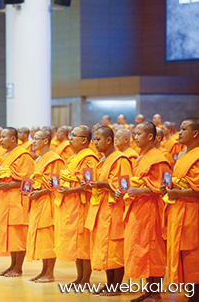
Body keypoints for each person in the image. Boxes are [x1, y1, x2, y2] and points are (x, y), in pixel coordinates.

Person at [124, 122, 169, 301]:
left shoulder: (159, 158)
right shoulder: (142, 157)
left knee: (152, 249)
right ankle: (149, 291)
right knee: (142, 249)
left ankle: (156, 293)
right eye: (134, 133)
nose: (135, 137)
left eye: (138, 134)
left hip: (152, 209)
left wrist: (140, 190)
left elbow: (164, 186)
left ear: (150, 137)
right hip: (139, 208)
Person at [85, 126, 132, 296]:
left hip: (116, 209)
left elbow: (124, 186)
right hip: (103, 208)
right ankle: (109, 284)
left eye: (98, 139)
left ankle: (117, 286)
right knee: (105, 248)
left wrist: (103, 185)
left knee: (115, 248)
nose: (95, 143)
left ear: (109, 140)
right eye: (94, 139)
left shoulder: (120, 159)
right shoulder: (103, 160)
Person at [56, 125, 99, 286]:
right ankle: (79, 277)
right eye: (71, 134)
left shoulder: (89, 158)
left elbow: (88, 184)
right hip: (72, 203)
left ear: (84, 140)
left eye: (74, 135)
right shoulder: (74, 157)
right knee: (76, 244)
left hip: (82, 204)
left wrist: (70, 190)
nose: (70, 137)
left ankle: (85, 279)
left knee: (83, 243)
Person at [162, 118, 199, 301]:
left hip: (192, 211)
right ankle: (189, 290)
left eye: (184, 129)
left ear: (195, 134)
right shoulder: (185, 156)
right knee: (181, 251)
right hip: (178, 209)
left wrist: (178, 193)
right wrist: (169, 191)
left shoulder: (197, 156)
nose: (179, 133)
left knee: (192, 252)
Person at [26, 129, 65, 283]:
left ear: (46, 141)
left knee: (48, 237)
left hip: (48, 202)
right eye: (33, 138)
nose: (33, 141)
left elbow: (55, 184)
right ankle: (43, 271)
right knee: (42, 238)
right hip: (38, 202)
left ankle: (50, 273)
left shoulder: (54, 160)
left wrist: (40, 192)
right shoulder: (39, 159)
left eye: (37, 139)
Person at [0, 127, 35, 277]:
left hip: (18, 199)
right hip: (6, 199)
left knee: (18, 234)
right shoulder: (8, 155)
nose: (0, 139)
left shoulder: (23, 156)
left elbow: (28, 181)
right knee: (11, 234)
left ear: (13, 139)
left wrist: (9, 185)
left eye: (4, 137)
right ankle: (12, 265)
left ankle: (18, 267)